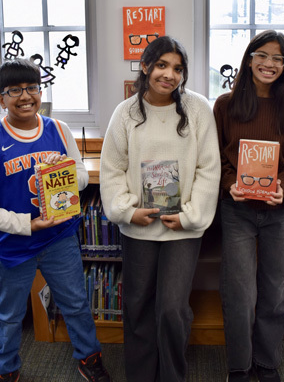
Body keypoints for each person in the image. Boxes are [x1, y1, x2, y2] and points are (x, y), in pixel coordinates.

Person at [0, 58, 111, 382]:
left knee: (75, 303)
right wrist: (26, 225)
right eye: (14, 89)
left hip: (59, 239)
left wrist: (67, 174)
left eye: (31, 87)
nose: (25, 95)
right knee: (10, 315)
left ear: (40, 91)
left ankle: (89, 358)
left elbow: (83, 176)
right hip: (16, 245)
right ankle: (5, 371)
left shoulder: (58, 129)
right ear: (1, 98)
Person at [99, 36, 221, 382]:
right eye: (163, 66)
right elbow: (112, 168)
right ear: (146, 67)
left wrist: (190, 217)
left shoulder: (198, 109)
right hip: (139, 225)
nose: (170, 75)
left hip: (182, 227)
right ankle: (140, 375)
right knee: (137, 305)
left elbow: (209, 169)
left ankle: (172, 375)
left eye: (178, 68)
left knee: (171, 308)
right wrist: (126, 211)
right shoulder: (126, 113)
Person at [213, 30, 284, 382]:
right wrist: (230, 184)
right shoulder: (226, 105)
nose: (269, 64)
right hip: (238, 209)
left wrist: (283, 187)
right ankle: (240, 365)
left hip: (278, 211)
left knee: (274, 290)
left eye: (278, 58)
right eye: (263, 55)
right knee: (239, 291)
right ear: (249, 57)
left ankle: (267, 362)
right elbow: (216, 158)